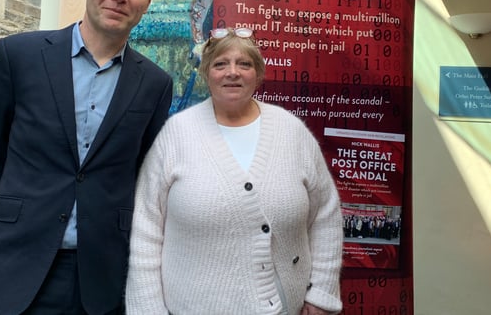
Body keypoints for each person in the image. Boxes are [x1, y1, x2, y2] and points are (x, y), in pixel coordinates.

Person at [0, 0, 173, 315]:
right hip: (14, 262)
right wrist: (10, 214)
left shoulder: (156, 84)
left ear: (147, 1)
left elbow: (143, 171)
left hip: (100, 277)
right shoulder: (20, 56)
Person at [125, 27, 343, 315]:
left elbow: (326, 215)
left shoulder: (291, 131)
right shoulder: (177, 134)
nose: (232, 72)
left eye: (244, 64)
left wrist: (322, 293)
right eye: (220, 64)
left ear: (258, 74)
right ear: (206, 73)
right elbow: (146, 227)